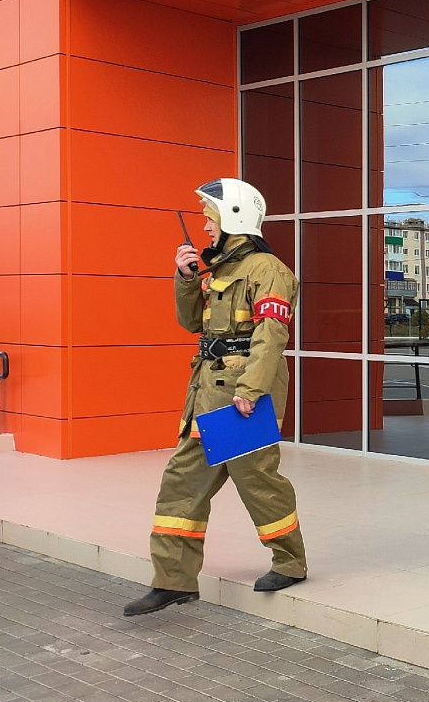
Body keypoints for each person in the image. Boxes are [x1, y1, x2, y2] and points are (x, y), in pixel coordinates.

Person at [124, 179, 305, 616]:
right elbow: (192, 324)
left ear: (234, 218)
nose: (204, 227)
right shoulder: (218, 269)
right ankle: (174, 581)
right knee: (181, 483)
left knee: (256, 481)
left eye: (210, 217)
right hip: (206, 392)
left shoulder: (269, 271)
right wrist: (186, 277)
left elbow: (271, 336)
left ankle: (291, 560)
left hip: (242, 396)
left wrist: (251, 391)